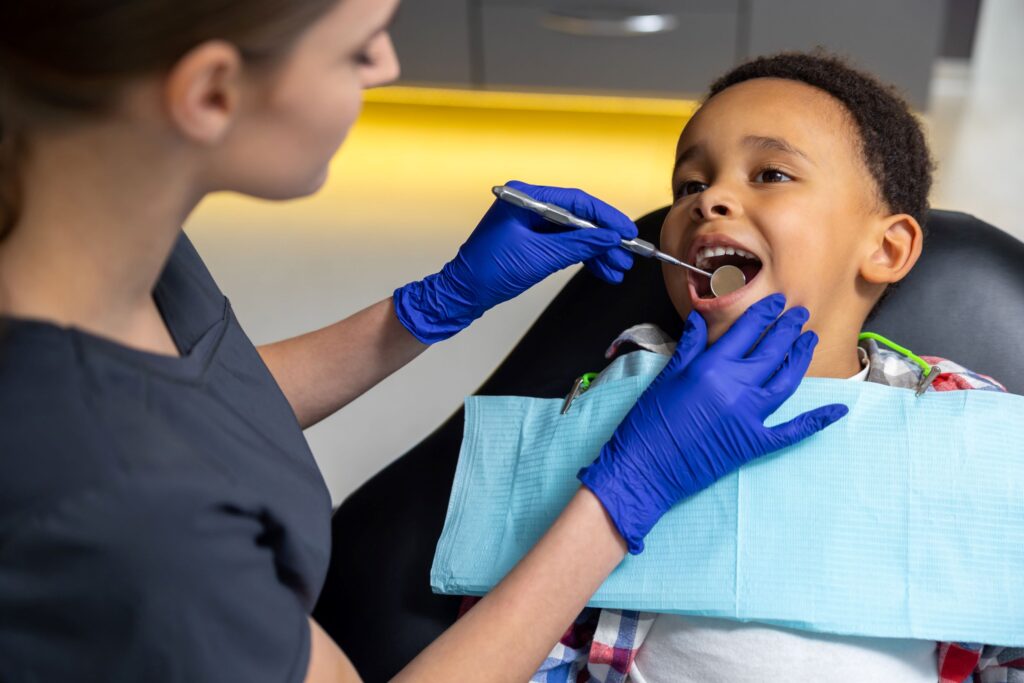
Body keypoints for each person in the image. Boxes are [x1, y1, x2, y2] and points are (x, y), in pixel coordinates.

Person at [0, 2, 846, 681]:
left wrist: (427, 308)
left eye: (769, 173)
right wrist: (625, 497)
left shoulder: (84, 231)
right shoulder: (117, 520)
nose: (387, 67)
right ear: (211, 91)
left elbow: (176, 400)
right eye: (359, 46)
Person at [498, 51, 1016, 682]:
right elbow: (521, 636)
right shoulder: (611, 399)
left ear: (885, 248)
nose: (710, 198)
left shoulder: (963, 417)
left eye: (770, 173)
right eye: (689, 186)